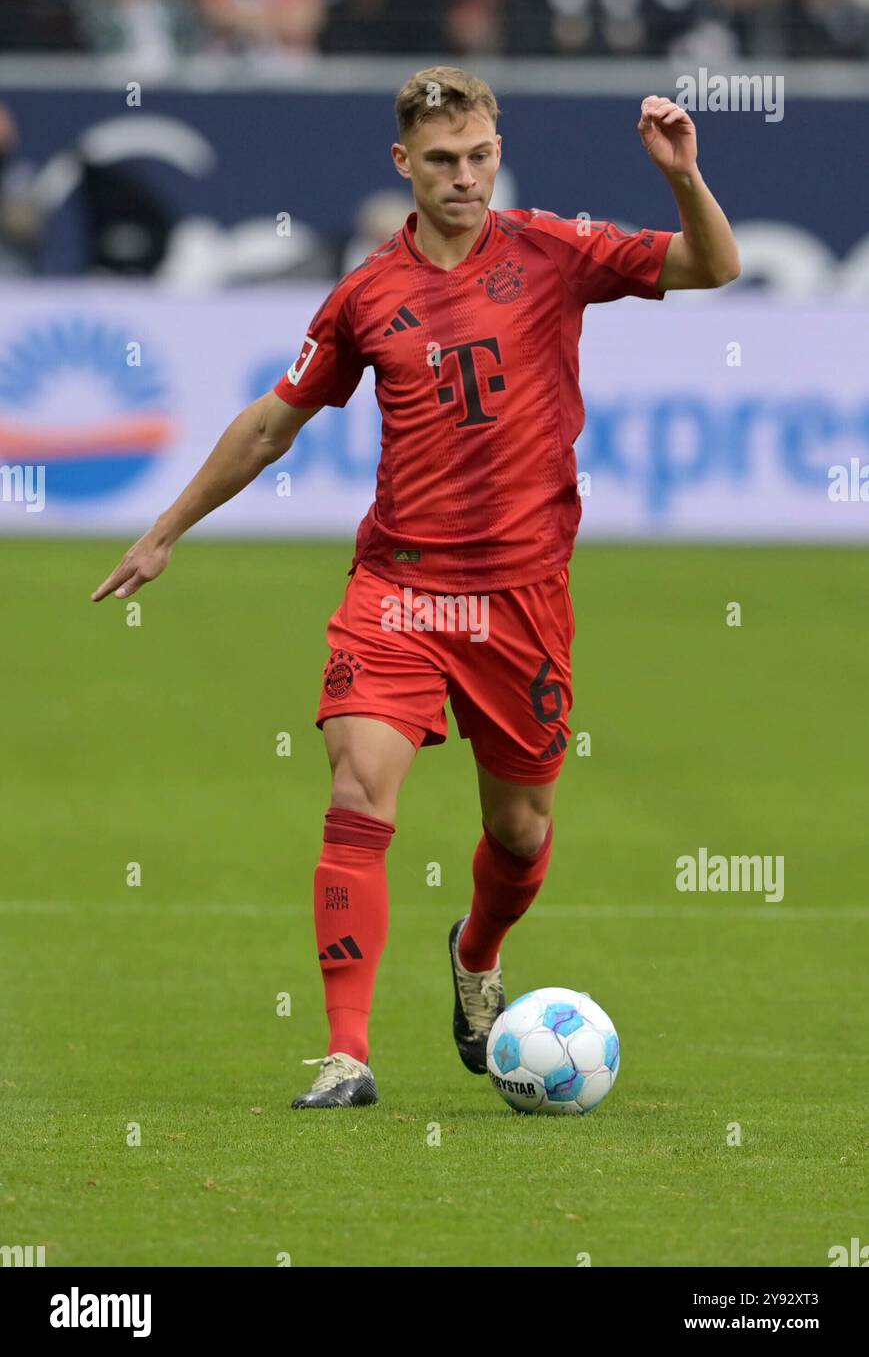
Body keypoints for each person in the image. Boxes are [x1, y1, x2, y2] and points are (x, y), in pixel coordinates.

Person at [91, 66, 740, 1109]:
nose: (465, 177)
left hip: (519, 599)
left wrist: (682, 177)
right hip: (397, 587)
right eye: (441, 160)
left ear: (496, 149)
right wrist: (165, 532)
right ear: (404, 162)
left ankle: (476, 951)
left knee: (520, 833)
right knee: (356, 790)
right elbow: (271, 423)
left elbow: (714, 266)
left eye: (478, 155)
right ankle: (346, 1055)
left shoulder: (553, 250)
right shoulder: (365, 295)